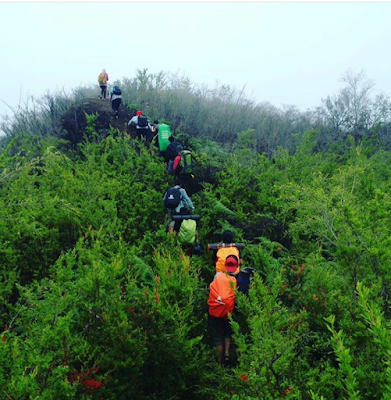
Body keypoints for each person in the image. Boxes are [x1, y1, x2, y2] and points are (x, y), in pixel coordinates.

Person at [208, 256, 239, 366]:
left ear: (225, 266)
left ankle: (219, 364)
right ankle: (227, 354)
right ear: (236, 267)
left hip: (215, 312)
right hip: (227, 313)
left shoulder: (218, 276)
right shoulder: (234, 280)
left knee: (217, 338)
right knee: (227, 333)